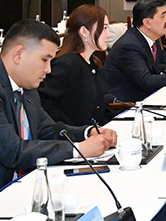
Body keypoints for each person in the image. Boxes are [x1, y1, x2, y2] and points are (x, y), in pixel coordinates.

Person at [0, 20, 116, 187]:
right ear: (19, 54)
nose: (48, 69)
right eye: (44, 60)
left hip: (30, 182)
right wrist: (77, 150)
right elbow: (12, 151)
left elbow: (48, 130)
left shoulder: (28, 87)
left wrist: (88, 132)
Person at [39, 5, 117, 125]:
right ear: (84, 32)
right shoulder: (66, 65)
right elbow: (43, 102)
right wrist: (71, 128)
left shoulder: (94, 63)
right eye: (104, 28)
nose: (109, 34)